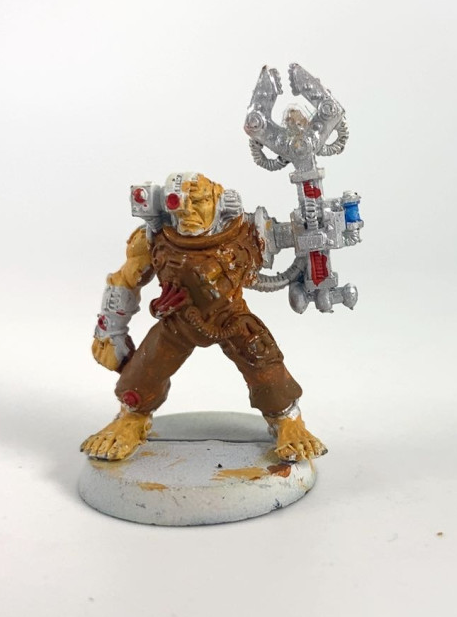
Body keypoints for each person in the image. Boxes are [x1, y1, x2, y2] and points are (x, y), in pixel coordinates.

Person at [80, 172, 326, 462]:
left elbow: (295, 235)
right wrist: (110, 333)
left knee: (264, 361)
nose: (187, 211)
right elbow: (124, 282)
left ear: (220, 201)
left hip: (232, 318)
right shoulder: (152, 238)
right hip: (177, 321)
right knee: (143, 374)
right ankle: (132, 418)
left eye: (198, 201)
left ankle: (287, 420)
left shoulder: (248, 232)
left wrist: (312, 225)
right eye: (179, 203)